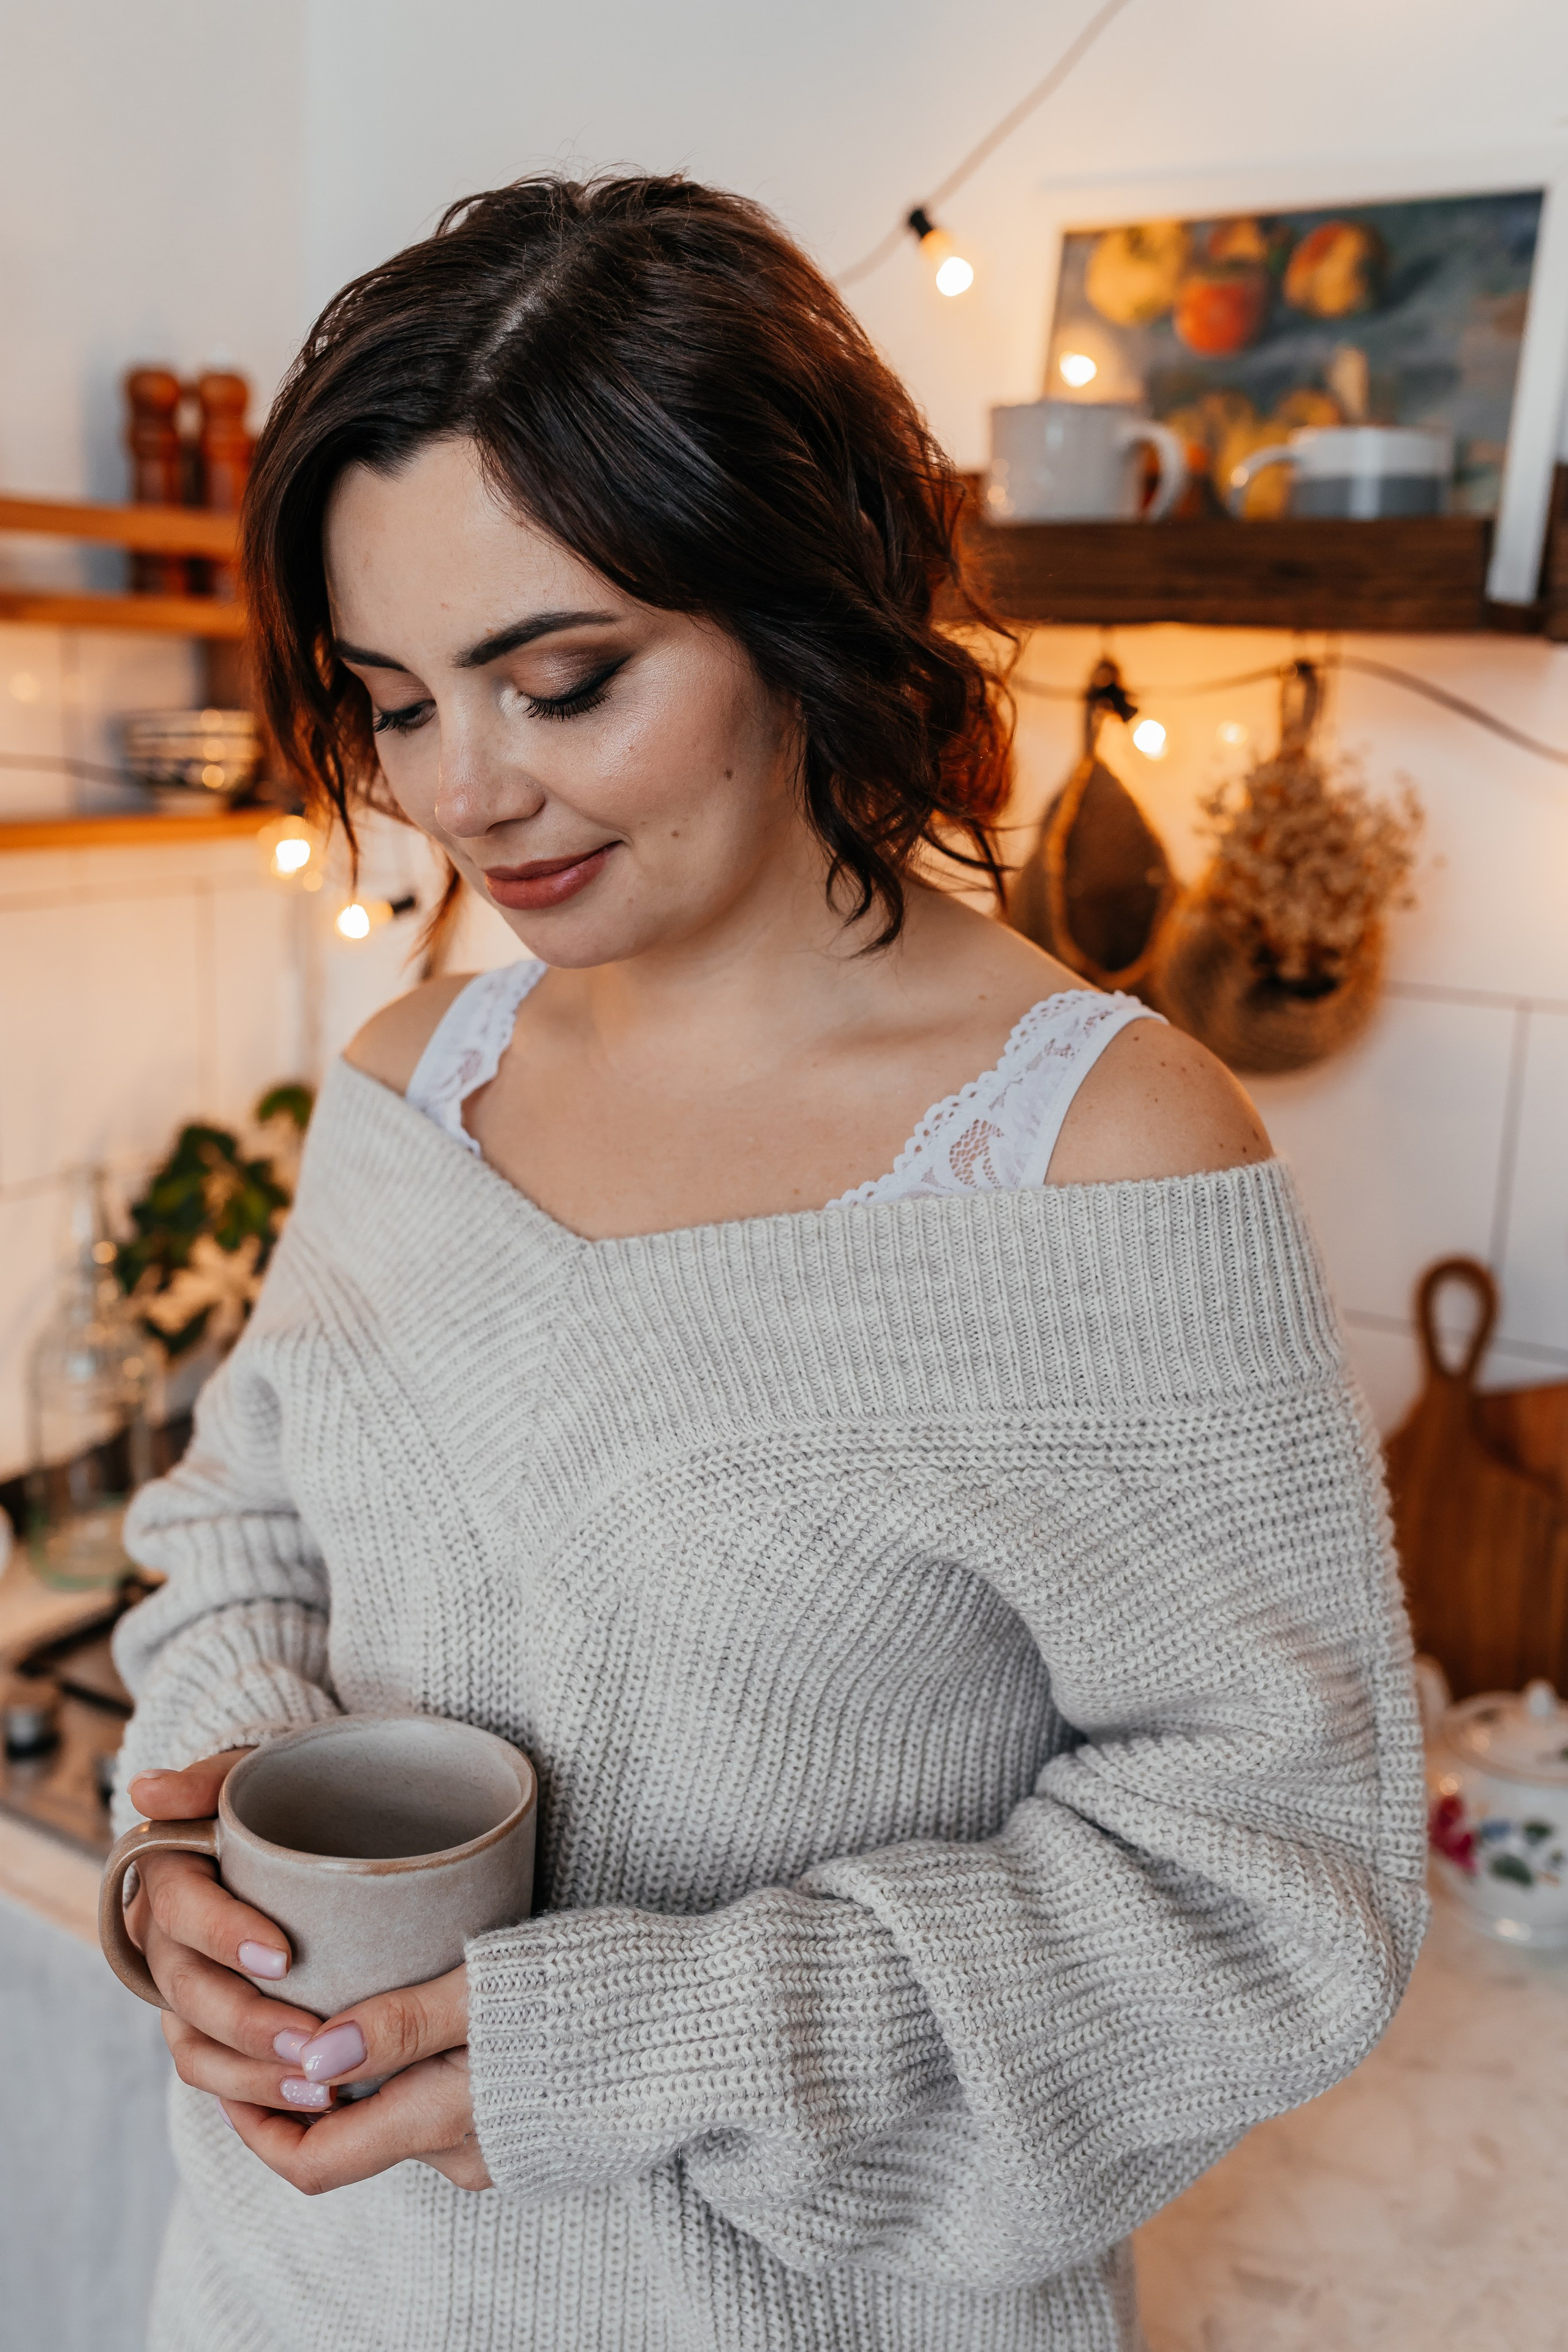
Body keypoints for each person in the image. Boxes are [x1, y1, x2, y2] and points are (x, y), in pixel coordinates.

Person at [112, 175, 1426, 2352]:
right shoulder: (414, 1080)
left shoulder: (1095, 1159)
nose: (466, 794)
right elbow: (241, 1537)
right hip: (284, 2290)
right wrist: (219, 1873)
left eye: (563, 682)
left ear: (801, 606)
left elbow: (1270, 1883)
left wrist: (636, 2041)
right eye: (398, 702)